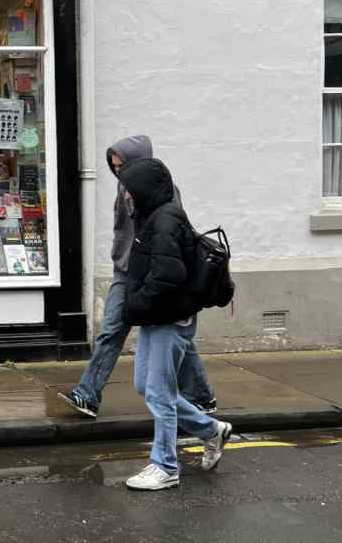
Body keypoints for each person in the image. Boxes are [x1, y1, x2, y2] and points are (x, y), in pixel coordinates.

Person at [58, 135, 216, 418]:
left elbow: (170, 235)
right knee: (111, 331)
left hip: (148, 274)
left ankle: (201, 397)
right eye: (114, 166)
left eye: (121, 165)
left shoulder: (164, 191)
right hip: (125, 272)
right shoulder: (124, 187)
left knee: (175, 338)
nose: (117, 171)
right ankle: (88, 395)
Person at [118, 157, 232, 490]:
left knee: (160, 394)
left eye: (129, 190)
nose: (125, 196)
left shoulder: (166, 219)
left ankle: (165, 466)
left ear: (145, 190)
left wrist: (135, 306)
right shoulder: (153, 216)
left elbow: (169, 275)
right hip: (157, 317)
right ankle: (212, 430)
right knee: (146, 387)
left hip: (169, 318)